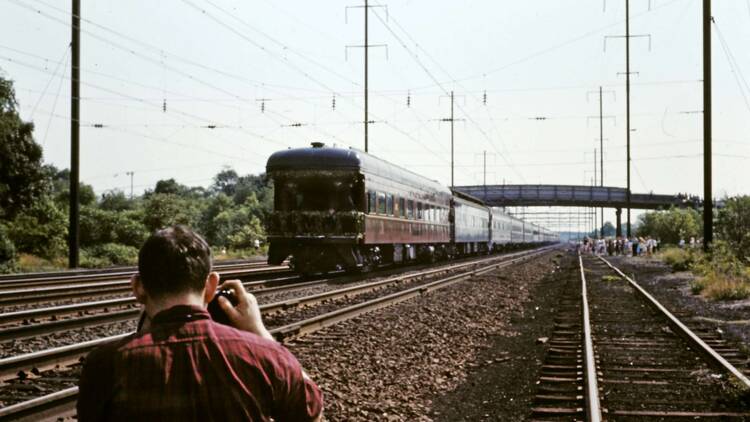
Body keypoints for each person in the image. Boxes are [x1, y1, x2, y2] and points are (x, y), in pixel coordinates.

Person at [77, 226, 323, 422]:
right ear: (211, 286)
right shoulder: (267, 357)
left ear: (138, 288)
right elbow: (312, 414)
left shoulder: (106, 364)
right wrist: (259, 332)